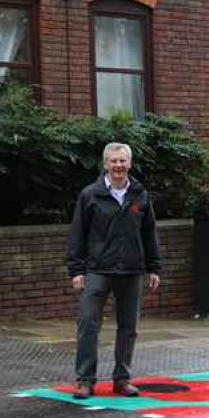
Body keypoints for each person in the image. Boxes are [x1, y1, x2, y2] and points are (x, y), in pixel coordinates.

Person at [67, 142, 162, 399]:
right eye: (113, 161)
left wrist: (154, 267)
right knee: (88, 324)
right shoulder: (90, 195)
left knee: (128, 327)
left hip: (132, 271)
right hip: (97, 270)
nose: (118, 165)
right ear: (105, 164)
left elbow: (149, 233)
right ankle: (85, 380)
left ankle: (122, 379)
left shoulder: (140, 195)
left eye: (122, 161)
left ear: (129, 164)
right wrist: (76, 270)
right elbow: (78, 234)